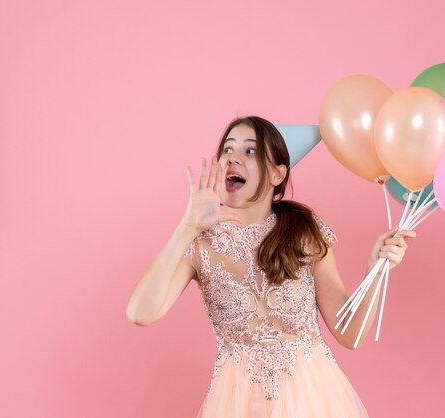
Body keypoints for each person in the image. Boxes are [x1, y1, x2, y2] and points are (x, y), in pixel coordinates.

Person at [126, 116, 417, 417]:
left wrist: (377, 268)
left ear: (278, 174)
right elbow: (140, 313)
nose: (233, 159)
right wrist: (187, 226)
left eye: (249, 151)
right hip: (239, 406)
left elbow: (350, 334)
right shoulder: (200, 243)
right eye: (227, 150)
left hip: (312, 401)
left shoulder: (304, 232)